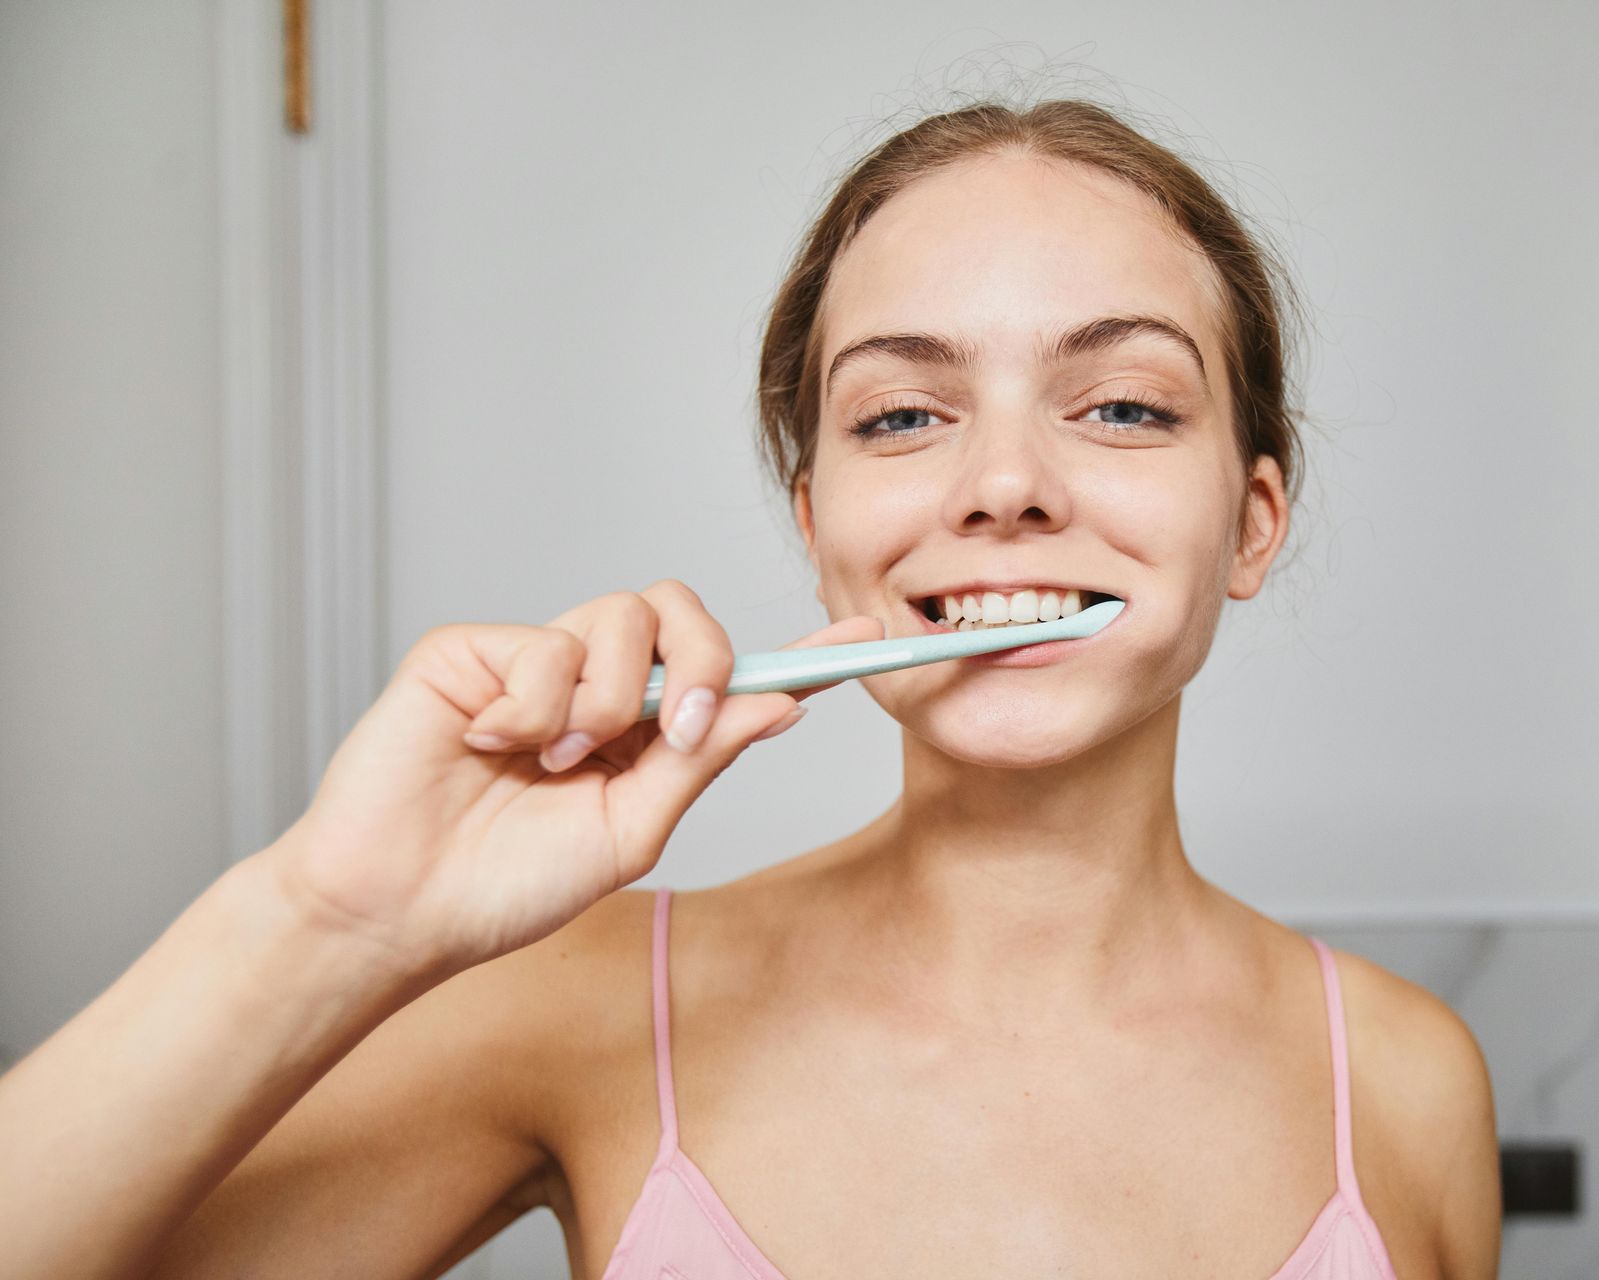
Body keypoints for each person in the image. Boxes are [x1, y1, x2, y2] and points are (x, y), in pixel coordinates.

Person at [0, 98, 1501, 1279]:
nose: (1002, 484)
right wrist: (325, 920)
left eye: (1120, 403)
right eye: (903, 413)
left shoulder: (1407, 1082)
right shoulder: (582, 1004)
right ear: (817, 526)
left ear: (1251, 521)